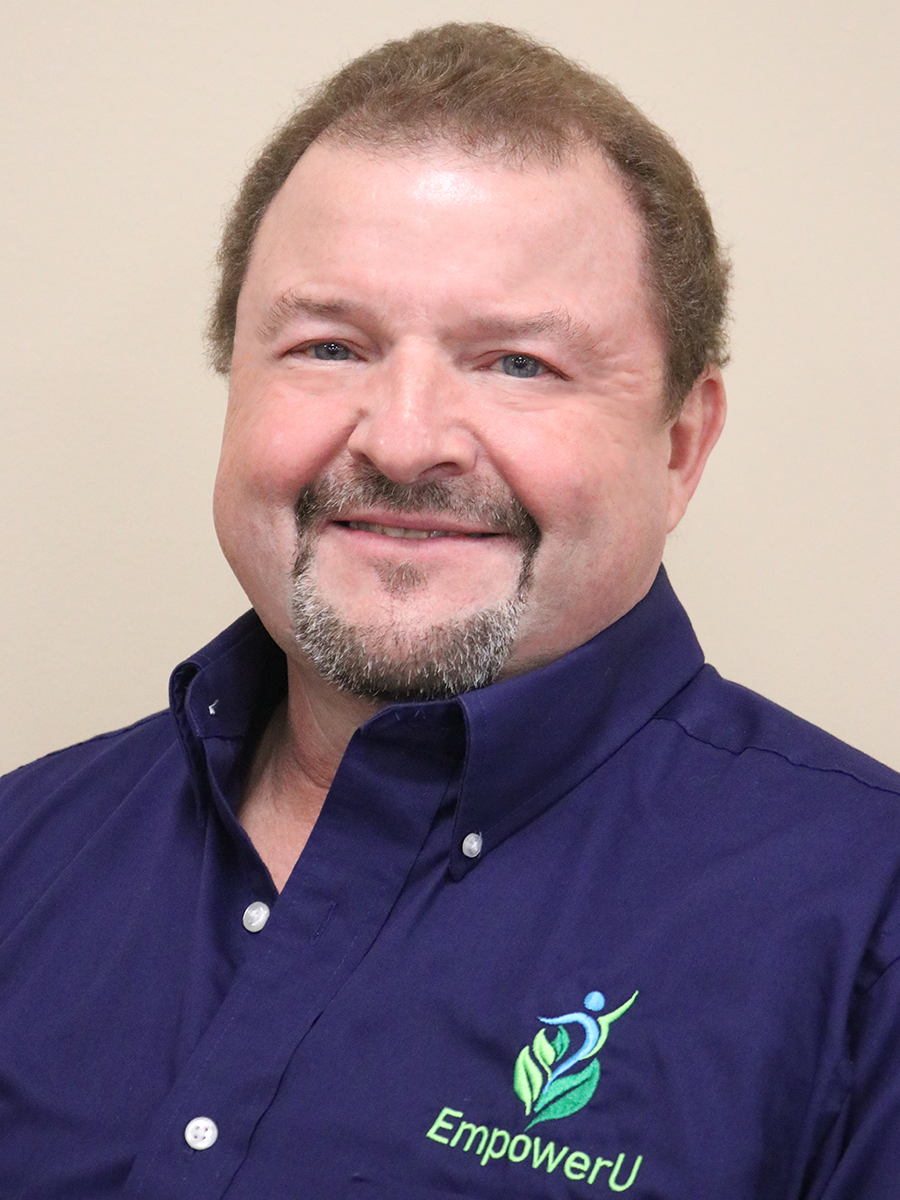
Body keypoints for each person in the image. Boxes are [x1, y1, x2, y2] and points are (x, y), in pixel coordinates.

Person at [1, 21, 899, 1199]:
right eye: (328, 346)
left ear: (682, 446)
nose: (407, 438)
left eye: (517, 363)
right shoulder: (25, 850)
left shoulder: (868, 931)